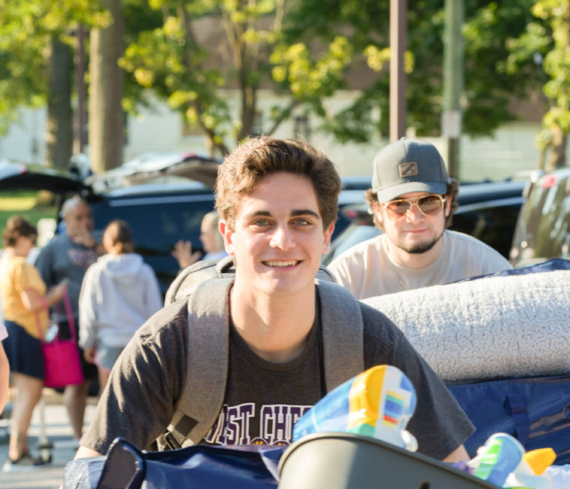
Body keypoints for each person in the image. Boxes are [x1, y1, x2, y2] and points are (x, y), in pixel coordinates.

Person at [71, 136, 474, 466]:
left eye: (302, 221)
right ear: (229, 236)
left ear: (327, 235)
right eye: (262, 222)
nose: (283, 240)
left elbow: (458, 473)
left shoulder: (369, 340)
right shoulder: (169, 345)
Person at [328, 138, 511, 299]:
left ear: (447, 204)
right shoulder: (347, 276)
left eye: (428, 201)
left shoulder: (486, 267)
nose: (414, 217)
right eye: (399, 205)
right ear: (378, 211)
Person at [0, 217, 67, 470]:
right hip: (26, 330)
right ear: (22, 238)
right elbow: (32, 303)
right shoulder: (21, 266)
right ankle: (17, 452)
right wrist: (54, 297)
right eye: (31, 239)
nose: (32, 245)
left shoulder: (5, 262)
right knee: (30, 393)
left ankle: (21, 449)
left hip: (13, 329)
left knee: (25, 394)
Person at [35, 196, 102, 443]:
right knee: (77, 382)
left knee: (107, 380)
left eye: (88, 217)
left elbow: (120, 259)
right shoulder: (53, 248)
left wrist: (96, 247)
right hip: (69, 322)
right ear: (65, 221)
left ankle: (102, 436)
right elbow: (39, 285)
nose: (85, 223)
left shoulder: (101, 242)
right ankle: (78, 437)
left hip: (102, 321)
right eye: (78, 218)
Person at [79, 220, 163, 392]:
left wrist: (87, 342)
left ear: (107, 242)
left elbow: (88, 311)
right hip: (138, 343)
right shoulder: (145, 271)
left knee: (107, 396)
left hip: (108, 340)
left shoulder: (97, 271)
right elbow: (155, 311)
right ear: (131, 242)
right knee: (137, 396)